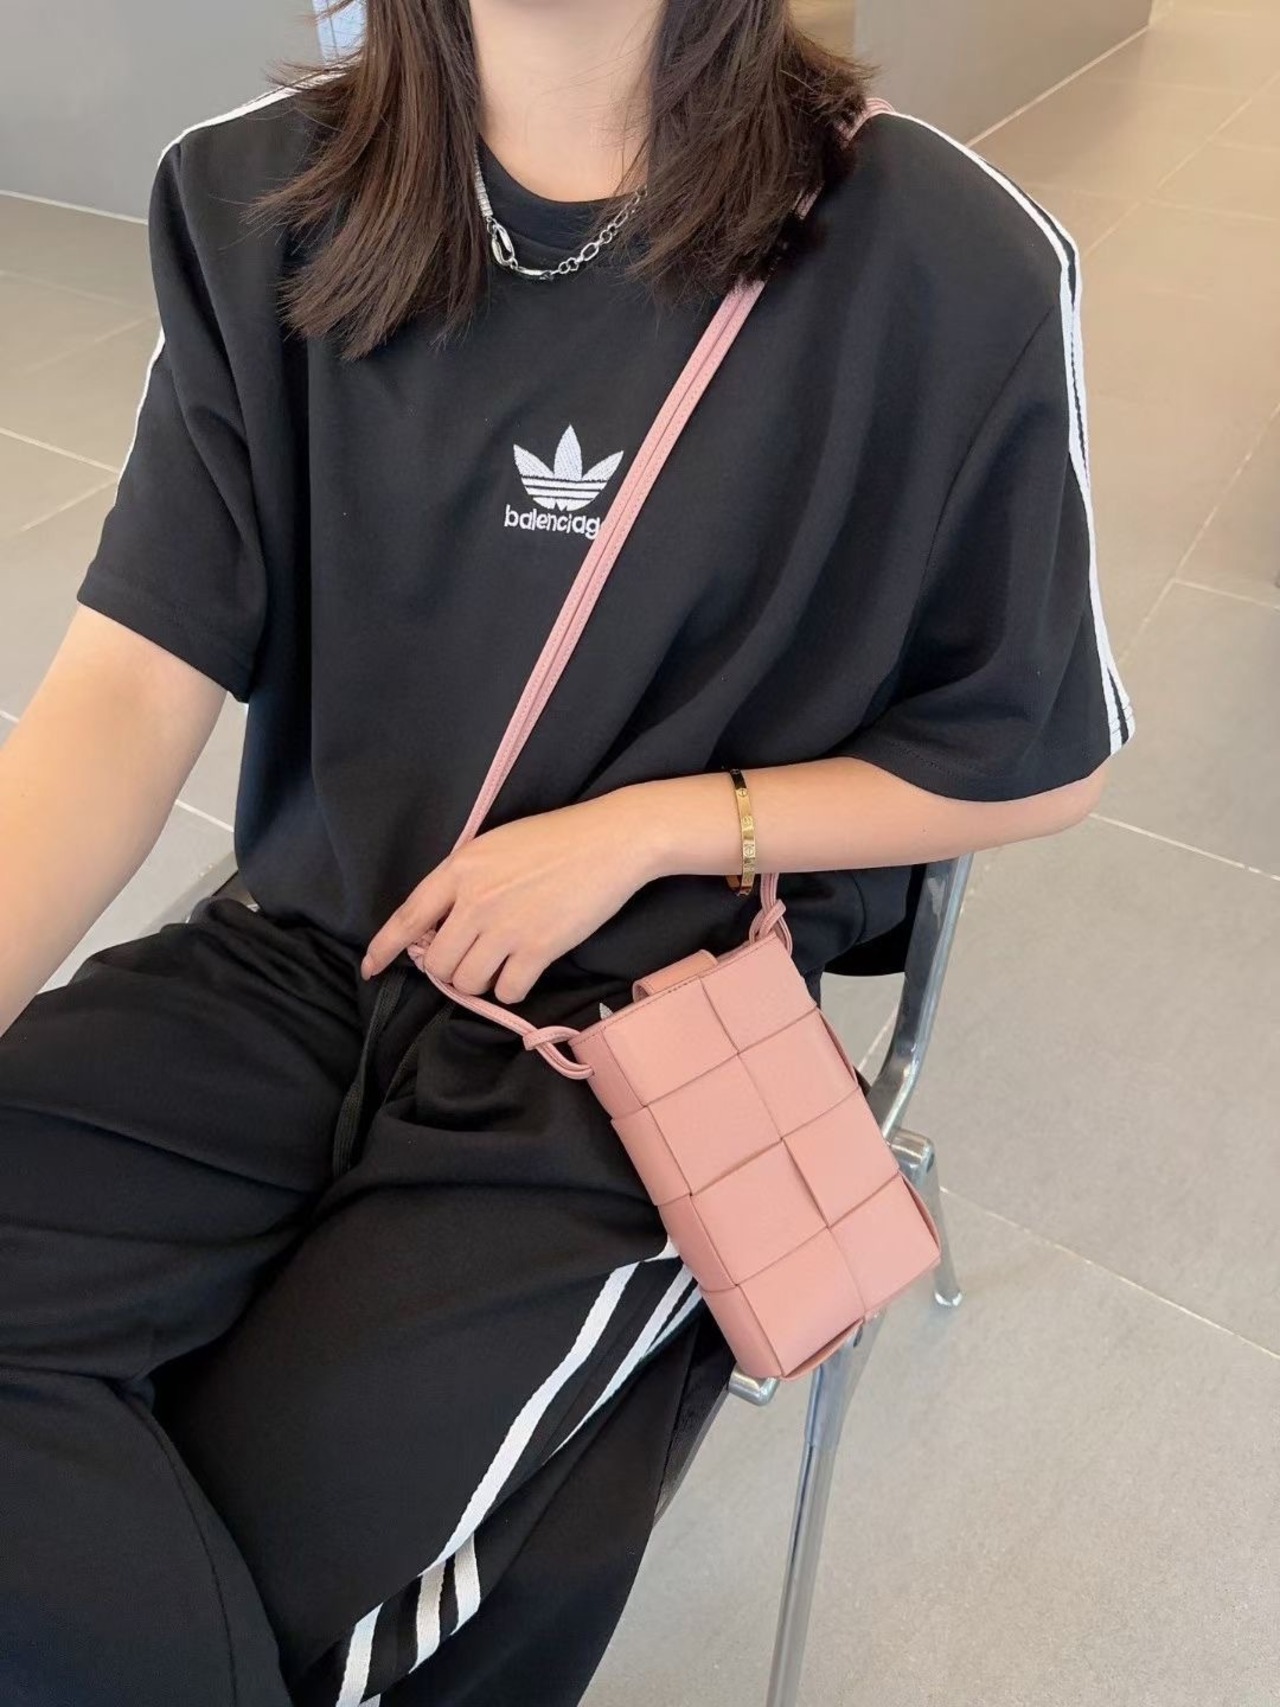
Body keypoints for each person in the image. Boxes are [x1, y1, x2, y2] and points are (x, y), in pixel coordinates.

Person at [0, 1, 1134, 1703]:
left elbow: (1034, 758)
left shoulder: (945, 262)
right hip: (307, 950)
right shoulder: (256, 200)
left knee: (324, 1596)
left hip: (629, 1044)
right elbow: (126, 685)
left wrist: (658, 826)